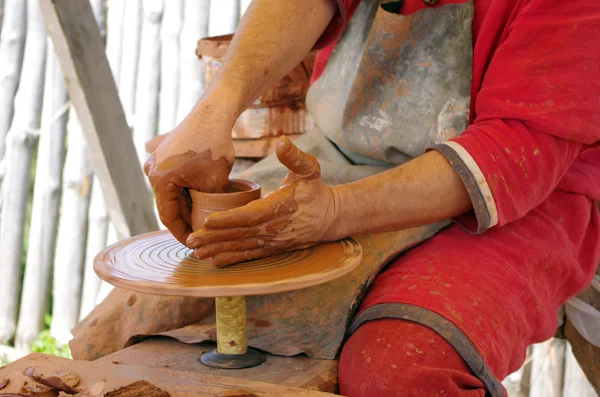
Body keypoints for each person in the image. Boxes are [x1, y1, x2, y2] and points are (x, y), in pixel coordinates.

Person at [75, 0, 600, 396]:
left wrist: (335, 213)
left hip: (518, 190)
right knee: (117, 328)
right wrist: (215, 108)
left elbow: (516, 149)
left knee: (400, 369)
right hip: (339, 157)